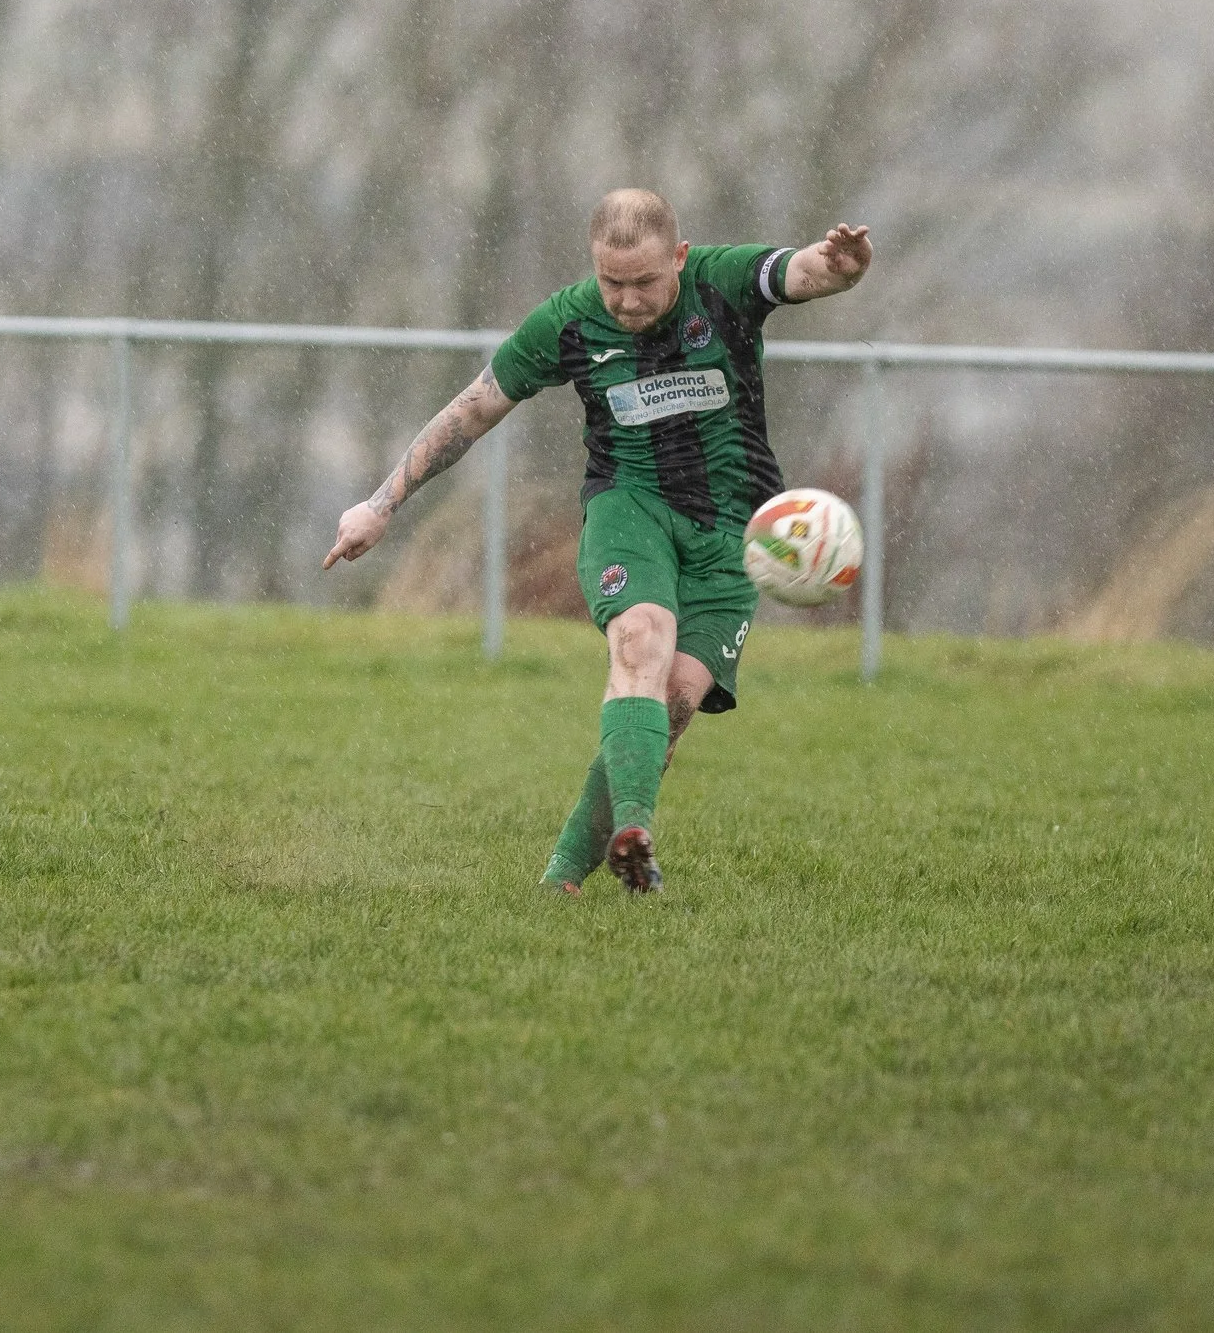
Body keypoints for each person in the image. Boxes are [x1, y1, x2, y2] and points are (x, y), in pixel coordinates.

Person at [322, 188, 871, 894]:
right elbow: (474, 408)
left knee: (674, 701)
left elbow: (801, 272)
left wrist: (844, 268)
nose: (628, 300)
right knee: (643, 640)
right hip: (628, 508)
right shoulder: (568, 321)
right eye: (612, 282)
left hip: (735, 533)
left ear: (677, 257)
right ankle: (634, 837)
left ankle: (563, 878)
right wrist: (380, 504)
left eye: (644, 282)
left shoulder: (720, 281)